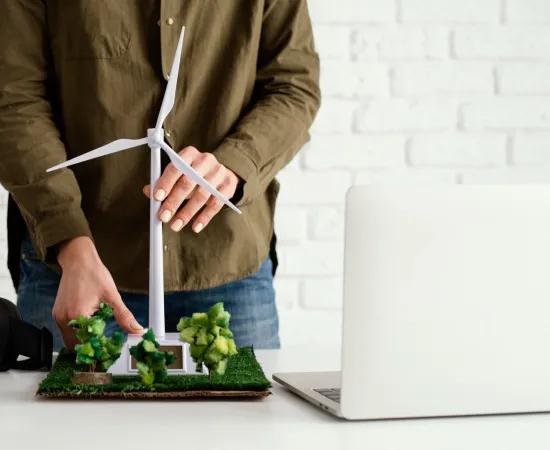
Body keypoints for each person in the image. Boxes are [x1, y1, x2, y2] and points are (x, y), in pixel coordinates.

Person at [0, 1, 320, 350]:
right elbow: (14, 100)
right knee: (65, 403)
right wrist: (70, 243)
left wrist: (236, 163)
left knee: (247, 406)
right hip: (74, 267)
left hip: (227, 262)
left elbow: (293, 84)